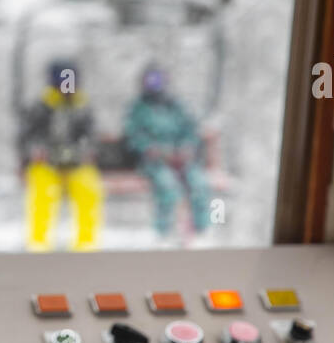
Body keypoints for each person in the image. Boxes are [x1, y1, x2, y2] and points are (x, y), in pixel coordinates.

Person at [18, 59, 103, 251]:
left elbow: (91, 136)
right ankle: (39, 244)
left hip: (77, 165)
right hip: (47, 166)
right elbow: (27, 137)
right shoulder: (41, 107)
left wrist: (84, 151)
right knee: (42, 192)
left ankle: (86, 244)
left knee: (88, 188)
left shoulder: (83, 108)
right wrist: (37, 151)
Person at [123, 64, 211, 241]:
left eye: (158, 81)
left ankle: (202, 232)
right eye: (150, 81)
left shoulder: (177, 106)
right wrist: (150, 149)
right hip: (154, 163)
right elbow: (133, 136)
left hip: (182, 160)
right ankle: (163, 234)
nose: (154, 85)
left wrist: (186, 148)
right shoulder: (138, 108)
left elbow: (190, 131)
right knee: (168, 187)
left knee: (200, 183)